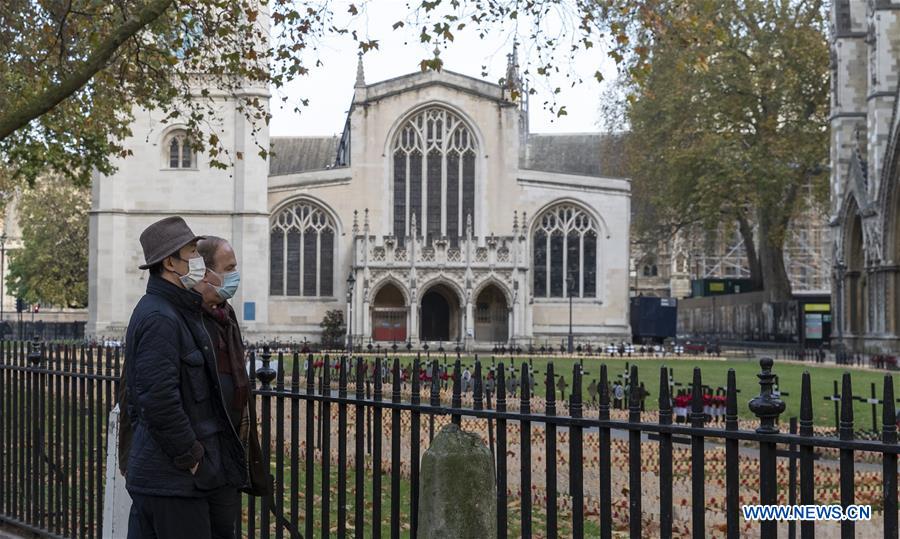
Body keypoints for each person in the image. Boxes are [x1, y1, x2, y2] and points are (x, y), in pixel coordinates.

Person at [123, 217, 249, 539]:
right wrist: (194, 460)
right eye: (192, 252)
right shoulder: (159, 317)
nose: (198, 261)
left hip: (183, 481)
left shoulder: (179, 310)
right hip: (173, 483)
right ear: (170, 263)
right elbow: (157, 400)